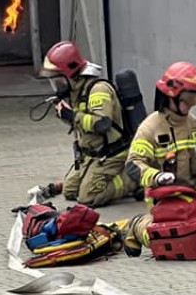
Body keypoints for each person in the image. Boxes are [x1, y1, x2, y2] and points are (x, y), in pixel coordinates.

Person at [120, 61, 196, 256]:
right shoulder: (150, 128)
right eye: (188, 98)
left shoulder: (193, 125)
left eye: (195, 99)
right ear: (170, 94)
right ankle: (138, 226)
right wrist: (157, 177)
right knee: (170, 241)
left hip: (195, 196)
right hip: (163, 202)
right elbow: (133, 164)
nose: (190, 105)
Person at [37, 41, 138, 207]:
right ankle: (93, 178)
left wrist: (73, 115)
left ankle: (133, 179)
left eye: (59, 80)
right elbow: (80, 123)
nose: (58, 86)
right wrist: (64, 114)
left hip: (111, 154)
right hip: (90, 156)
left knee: (88, 198)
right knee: (70, 191)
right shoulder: (77, 91)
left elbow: (102, 123)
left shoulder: (98, 90)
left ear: (71, 74)